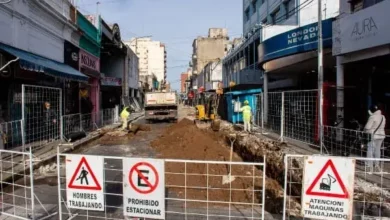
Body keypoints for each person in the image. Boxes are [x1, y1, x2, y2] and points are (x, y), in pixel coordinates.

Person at [364, 104, 386, 173]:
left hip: (373, 136)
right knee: (377, 150)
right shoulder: (383, 117)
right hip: (381, 135)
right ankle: (377, 164)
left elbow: (367, 127)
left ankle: (369, 165)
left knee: (370, 149)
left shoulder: (372, 117)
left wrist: (364, 130)